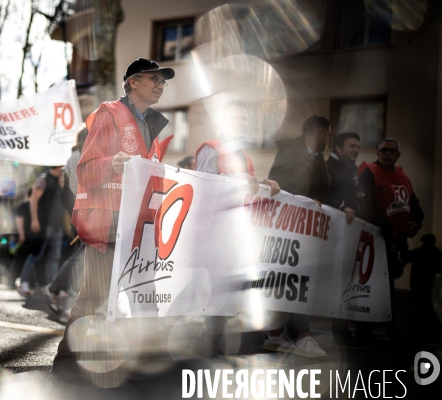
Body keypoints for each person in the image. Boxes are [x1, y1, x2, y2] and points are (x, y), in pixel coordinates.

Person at [52, 57, 175, 378]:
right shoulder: (111, 113)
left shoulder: (152, 125)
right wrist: (113, 163)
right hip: (108, 220)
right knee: (95, 295)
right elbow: (87, 168)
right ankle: (65, 364)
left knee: (144, 292)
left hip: (139, 224)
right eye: (154, 79)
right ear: (133, 82)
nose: (161, 85)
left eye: (164, 81)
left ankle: (145, 361)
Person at [195, 100, 280, 356]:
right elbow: (203, 187)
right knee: (218, 295)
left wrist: (264, 185)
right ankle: (208, 347)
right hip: (215, 234)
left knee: (231, 295)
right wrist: (235, 180)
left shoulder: (244, 156)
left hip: (238, 233)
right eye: (235, 118)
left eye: (244, 119)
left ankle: (211, 344)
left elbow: (247, 192)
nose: (241, 123)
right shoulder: (211, 149)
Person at [266, 115, 331, 358]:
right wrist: (304, 202)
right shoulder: (290, 151)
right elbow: (278, 183)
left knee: (288, 280)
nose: (329, 139)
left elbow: (325, 191)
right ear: (321, 133)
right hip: (289, 226)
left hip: (307, 229)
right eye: (328, 134)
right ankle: (303, 337)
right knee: (296, 279)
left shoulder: (319, 160)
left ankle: (274, 334)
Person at [359, 138, 424, 339]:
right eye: (383, 150)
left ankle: (389, 325)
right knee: (371, 283)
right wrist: (389, 230)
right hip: (376, 237)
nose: (387, 154)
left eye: (391, 151)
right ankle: (365, 329)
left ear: (398, 155)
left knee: (389, 284)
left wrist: (415, 221)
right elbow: (368, 206)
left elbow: (414, 205)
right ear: (378, 153)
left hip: (397, 239)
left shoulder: (402, 176)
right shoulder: (369, 172)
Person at [326, 132, 367, 347]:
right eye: (351, 146)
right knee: (338, 281)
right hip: (335, 233)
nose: (356, 150)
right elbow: (321, 193)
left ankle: (343, 328)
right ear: (338, 148)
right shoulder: (330, 166)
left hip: (350, 232)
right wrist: (341, 207)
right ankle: (338, 329)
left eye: (358, 146)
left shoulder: (351, 170)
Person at [43, 126, 89, 313]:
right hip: (84, 214)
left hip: (81, 214)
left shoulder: (76, 157)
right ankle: (54, 288)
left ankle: (65, 291)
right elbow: (76, 192)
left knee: (83, 256)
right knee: (81, 255)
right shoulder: (80, 158)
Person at [18, 166, 64, 295]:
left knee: (54, 257)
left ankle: (52, 286)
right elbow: (33, 200)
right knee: (36, 254)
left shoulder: (61, 181)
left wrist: (62, 187)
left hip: (56, 226)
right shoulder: (43, 179)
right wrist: (34, 220)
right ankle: (24, 282)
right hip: (44, 224)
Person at [405, 234, 442, 332]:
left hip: (417, 284)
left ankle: (416, 326)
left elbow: (406, 256)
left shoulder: (418, 252)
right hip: (430, 285)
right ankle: (429, 327)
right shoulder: (437, 253)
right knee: (429, 306)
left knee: (418, 305)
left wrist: (404, 244)